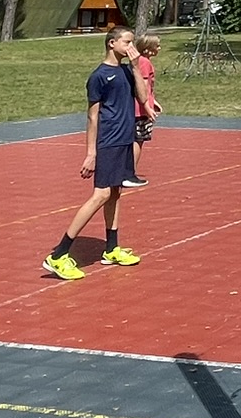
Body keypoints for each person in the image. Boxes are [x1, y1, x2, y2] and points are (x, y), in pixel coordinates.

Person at [43, 25, 144, 281]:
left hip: (124, 140)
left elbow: (143, 98)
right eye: (127, 42)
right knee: (101, 195)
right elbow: (92, 116)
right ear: (112, 43)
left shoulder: (127, 71)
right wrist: (91, 153)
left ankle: (111, 248)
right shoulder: (99, 76)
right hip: (107, 142)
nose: (131, 47)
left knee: (115, 193)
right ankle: (59, 254)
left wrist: (135, 67)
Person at [125, 32, 162, 187]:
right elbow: (143, 86)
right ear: (148, 48)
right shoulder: (144, 63)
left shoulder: (139, 61)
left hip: (137, 107)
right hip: (139, 110)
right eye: (157, 46)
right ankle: (129, 173)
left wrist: (154, 101)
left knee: (136, 139)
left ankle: (127, 171)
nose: (159, 48)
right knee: (138, 140)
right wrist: (147, 107)